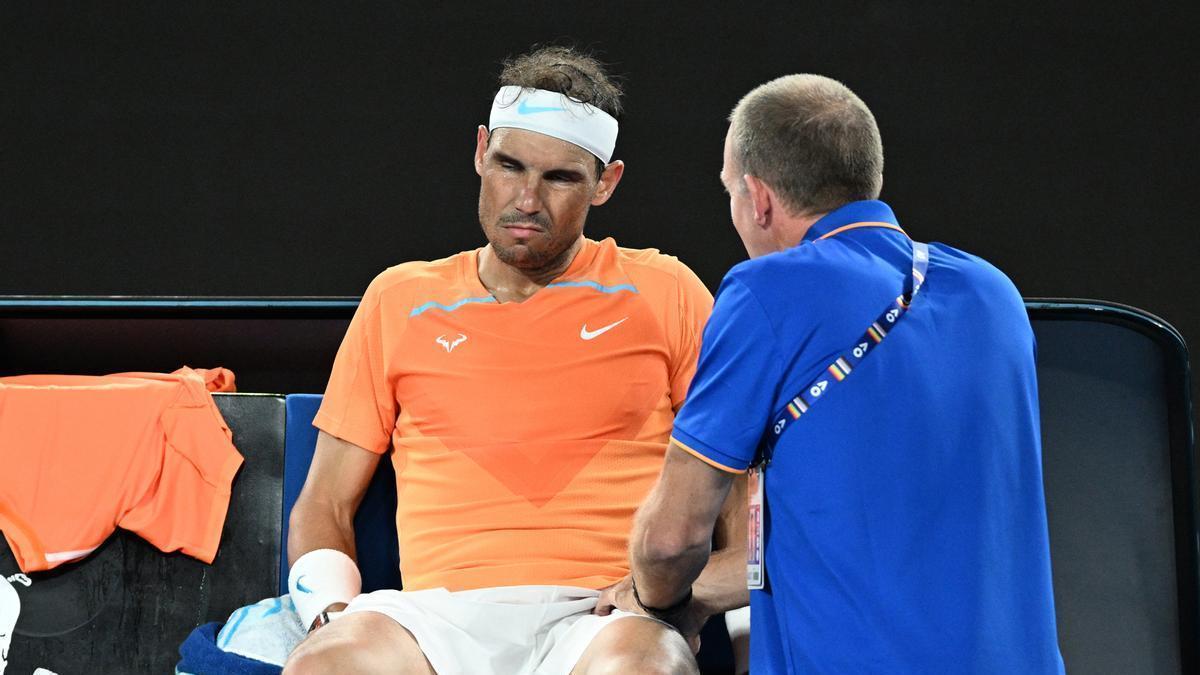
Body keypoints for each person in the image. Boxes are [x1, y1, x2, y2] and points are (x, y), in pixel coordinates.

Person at [283, 46, 741, 675]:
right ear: (479, 153)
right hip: (432, 619)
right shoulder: (399, 297)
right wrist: (329, 616)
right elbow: (323, 503)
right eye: (509, 165)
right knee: (326, 665)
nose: (526, 199)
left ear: (606, 183)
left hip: (604, 617)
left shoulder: (666, 290)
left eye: (559, 178)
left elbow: (737, 481)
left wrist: (732, 624)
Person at [627, 74, 1065, 673]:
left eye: (729, 191)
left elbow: (670, 540)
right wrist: (708, 592)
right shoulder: (995, 294)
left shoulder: (768, 291)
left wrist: (656, 600)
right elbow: (876, 535)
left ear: (758, 198)